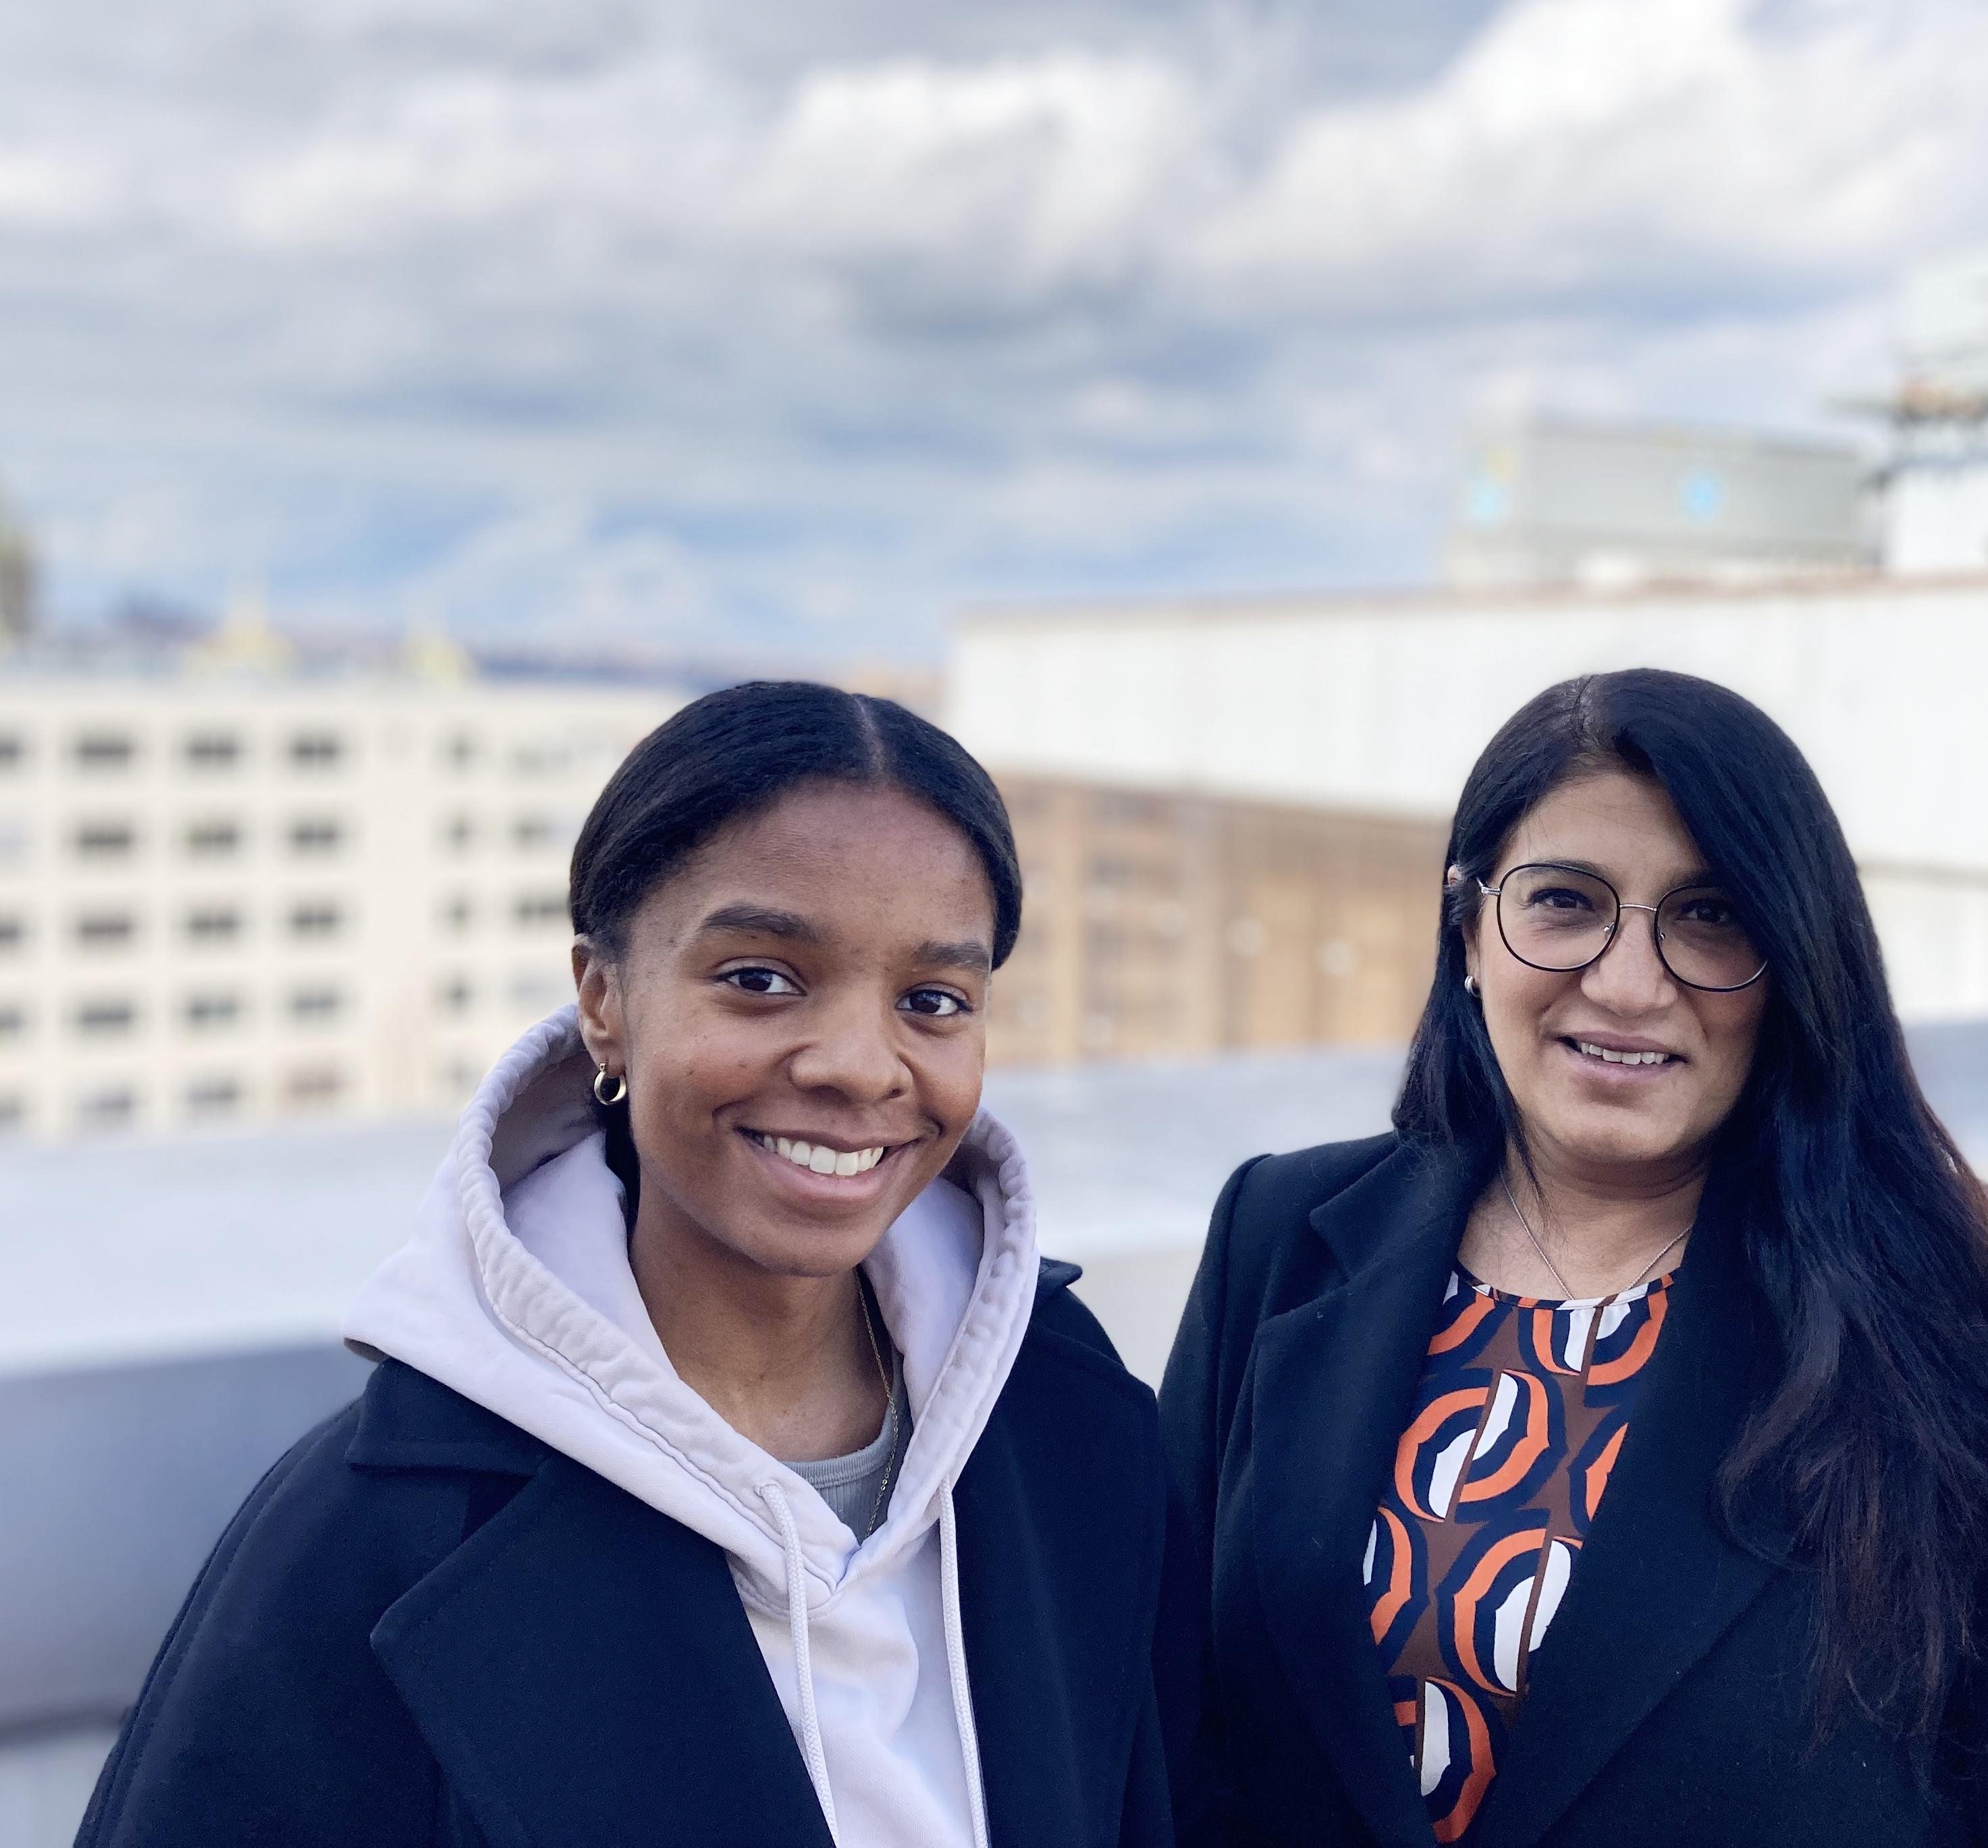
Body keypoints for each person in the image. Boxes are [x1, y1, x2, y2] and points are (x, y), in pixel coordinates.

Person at [1160, 669, 1988, 1847]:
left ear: (1795, 964)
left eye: (1710, 916)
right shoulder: (1280, 1235)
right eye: (1562, 901)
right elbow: (1154, 1725)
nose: (1627, 983)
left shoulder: (1979, 1312)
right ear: (1467, 928)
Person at [81, 682, 1185, 1848]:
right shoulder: (376, 1540)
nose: (861, 1064)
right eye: (760, 978)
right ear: (603, 1000)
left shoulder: (1066, 1413)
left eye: (932, 999)